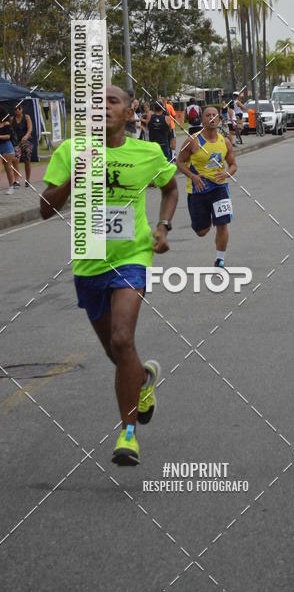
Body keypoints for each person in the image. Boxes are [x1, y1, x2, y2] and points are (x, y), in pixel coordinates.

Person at [40, 86, 178, 465]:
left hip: (132, 257)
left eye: (111, 101)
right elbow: (45, 209)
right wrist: (74, 178)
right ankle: (143, 380)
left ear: (130, 111)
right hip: (89, 263)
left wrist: (163, 226)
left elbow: (170, 189)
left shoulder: (147, 153)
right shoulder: (71, 151)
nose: (102, 108)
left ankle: (128, 435)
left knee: (121, 338)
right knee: (115, 351)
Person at [177, 106, 237, 267]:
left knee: (222, 223)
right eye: (208, 115)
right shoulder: (192, 140)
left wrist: (226, 173)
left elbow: (233, 165)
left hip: (219, 188)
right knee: (201, 231)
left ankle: (220, 259)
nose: (211, 118)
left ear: (219, 120)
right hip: (198, 189)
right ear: (202, 119)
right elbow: (180, 162)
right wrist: (193, 176)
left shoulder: (225, 142)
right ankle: (209, 218)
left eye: (214, 115)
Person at [12, 103, 34, 186]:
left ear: (22, 109)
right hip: (16, 142)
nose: (17, 110)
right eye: (15, 109)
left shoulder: (26, 117)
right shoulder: (12, 119)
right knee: (15, 159)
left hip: (26, 141)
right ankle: (17, 180)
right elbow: (10, 129)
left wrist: (26, 136)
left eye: (19, 108)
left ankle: (27, 180)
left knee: (27, 159)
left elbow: (30, 128)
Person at [0, 107, 18, 193]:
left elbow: (8, 136)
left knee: (8, 168)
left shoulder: (6, 124)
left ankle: (11, 186)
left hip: (6, 147)